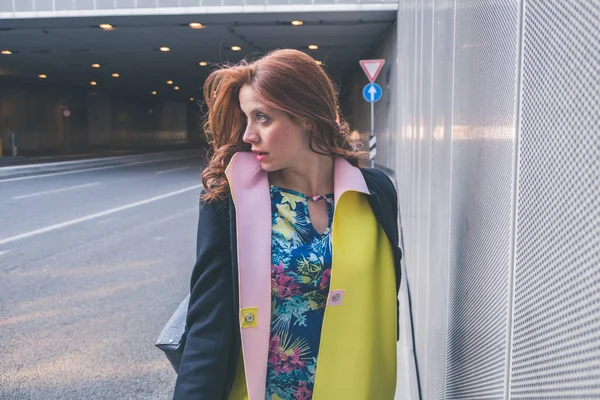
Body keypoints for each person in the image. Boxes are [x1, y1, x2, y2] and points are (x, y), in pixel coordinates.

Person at [173, 49, 402, 400]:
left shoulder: (374, 194)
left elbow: (385, 300)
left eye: (262, 117)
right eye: (247, 118)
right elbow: (208, 323)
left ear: (307, 117)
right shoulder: (231, 201)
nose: (249, 134)